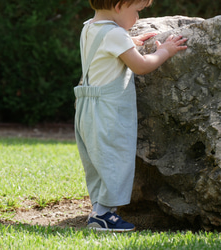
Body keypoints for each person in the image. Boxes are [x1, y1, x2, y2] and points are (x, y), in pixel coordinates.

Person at [74, 0, 187, 232]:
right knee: (115, 159)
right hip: (108, 109)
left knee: (97, 161)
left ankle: (99, 209)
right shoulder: (115, 34)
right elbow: (142, 66)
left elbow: (101, 54)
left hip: (86, 106)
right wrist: (164, 50)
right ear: (119, 5)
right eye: (136, 11)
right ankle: (104, 215)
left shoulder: (89, 27)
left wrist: (129, 44)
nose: (137, 19)